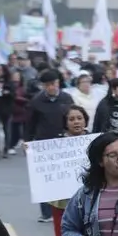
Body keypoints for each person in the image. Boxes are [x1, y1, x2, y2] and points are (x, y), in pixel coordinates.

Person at [49, 105, 92, 236]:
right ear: (66, 123)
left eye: (79, 118)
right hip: (62, 202)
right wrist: (30, 152)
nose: (76, 122)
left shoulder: (95, 141)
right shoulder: (55, 145)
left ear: (85, 120)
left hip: (90, 199)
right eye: (72, 119)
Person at [25, 69, 74, 223]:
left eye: (54, 84)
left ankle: (65, 209)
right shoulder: (36, 101)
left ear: (59, 83)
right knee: (45, 180)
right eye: (48, 85)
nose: (52, 87)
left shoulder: (67, 98)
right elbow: (30, 123)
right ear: (44, 86)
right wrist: (27, 141)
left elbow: (72, 118)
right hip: (44, 144)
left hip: (63, 143)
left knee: (63, 177)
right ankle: (46, 212)